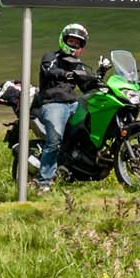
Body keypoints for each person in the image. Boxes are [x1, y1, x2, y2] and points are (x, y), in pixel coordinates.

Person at [32, 22, 99, 189]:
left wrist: (98, 76)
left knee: (92, 126)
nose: (74, 44)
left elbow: (86, 85)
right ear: (64, 40)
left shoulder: (78, 63)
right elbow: (48, 70)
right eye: (71, 41)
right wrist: (67, 74)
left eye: (78, 42)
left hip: (73, 103)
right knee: (54, 140)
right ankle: (44, 182)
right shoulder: (51, 57)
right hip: (53, 102)